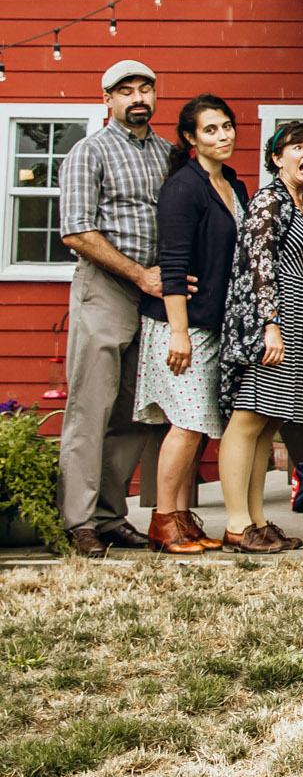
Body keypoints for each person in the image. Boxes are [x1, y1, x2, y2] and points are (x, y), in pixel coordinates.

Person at [57, 60, 172, 557]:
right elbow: (78, 230)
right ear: (107, 100)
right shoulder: (90, 151)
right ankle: (78, 520)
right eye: (125, 91)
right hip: (105, 289)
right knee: (90, 408)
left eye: (145, 88)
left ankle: (109, 514)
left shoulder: (169, 153)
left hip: (155, 297)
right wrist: (139, 273)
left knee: (132, 412)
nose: (137, 98)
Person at [138, 95, 249, 553]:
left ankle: (182, 519)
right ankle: (163, 521)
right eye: (211, 130)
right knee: (185, 425)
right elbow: (173, 263)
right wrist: (179, 332)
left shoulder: (233, 186)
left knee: (198, 425)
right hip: (179, 325)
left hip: (213, 325)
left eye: (227, 127)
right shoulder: (183, 187)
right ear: (190, 138)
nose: (222, 136)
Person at [218, 121, 303, 554]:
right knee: (247, 419)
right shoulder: (269, 200)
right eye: (296, 146)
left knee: (270, 424)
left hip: (301, 316)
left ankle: (258, 519)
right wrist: (270, 323)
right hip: (272, 316)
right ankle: (236, 523)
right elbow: (258, 264)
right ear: (276, 158)